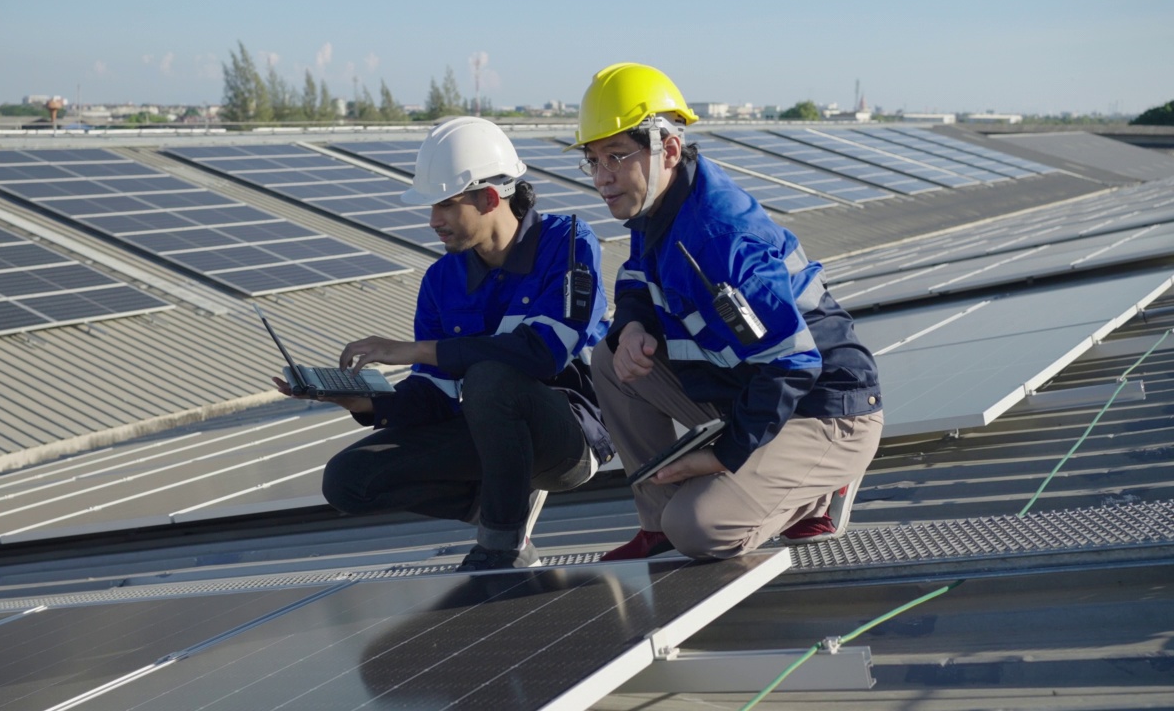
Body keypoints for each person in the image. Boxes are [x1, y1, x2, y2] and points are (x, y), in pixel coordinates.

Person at [569, 63, 884, 562]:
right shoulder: (659, 204)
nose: (602, 178)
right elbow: (636, 276)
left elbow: (794, 365)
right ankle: (658, 523)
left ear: (667, 149)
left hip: (825, 409)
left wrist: (719, 456)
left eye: (615, 156)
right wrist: (631, 327)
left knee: (698, 529)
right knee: (610, 359)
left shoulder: (717, 239)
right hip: (750, 393)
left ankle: (817, 488)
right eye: (592, 160)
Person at [276, 117, 614, 572]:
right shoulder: (441, 280)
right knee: (349, 480)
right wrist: (363, 403)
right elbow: (434, 394)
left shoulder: (569, 245)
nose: (433, 221)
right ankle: (500, 495)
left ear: (490, 198)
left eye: (445, 206)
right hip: (490, 435)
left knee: (490, 376)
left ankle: (502, 547)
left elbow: (542, 354)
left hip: (567, 438)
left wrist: (414, 350)